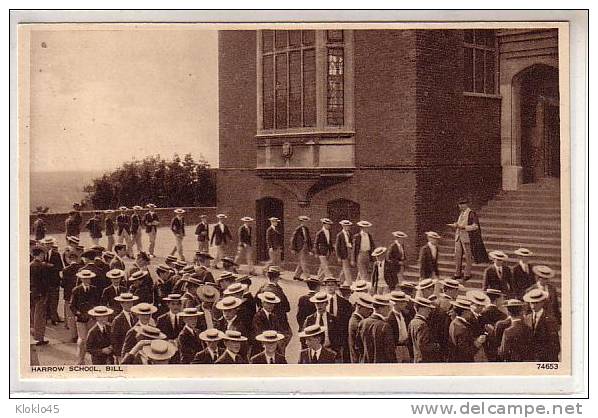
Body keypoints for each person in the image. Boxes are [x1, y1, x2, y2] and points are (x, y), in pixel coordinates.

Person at [448, 197, 489, 281]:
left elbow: (475, 226)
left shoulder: (471, 213)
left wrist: (463, 227)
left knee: (468, 256)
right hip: (458, 237)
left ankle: (467, 274)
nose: (461, 206)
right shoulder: (461, 214)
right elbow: (460, 224)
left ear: (466, 204)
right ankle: (457, 273)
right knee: (457, 256)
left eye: (462, 204)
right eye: (460, 205)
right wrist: (456, 225)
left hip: (466, 237)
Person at [70, 269, 100, 364]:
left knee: (92, 339)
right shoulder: (76, 290)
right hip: (81, 319)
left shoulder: (95, 289)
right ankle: (80, 360)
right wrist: (78, 314)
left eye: (88, 278)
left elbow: (97, 303)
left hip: (91, 318)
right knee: (82, 340)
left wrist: (93, 314)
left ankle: (94, 361)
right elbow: (72, 305)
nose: (86, 280)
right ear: (81, 279)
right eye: (84, 279)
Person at [356, 294, 396, 363]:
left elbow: (358, 346)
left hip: (365, 364)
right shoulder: (385, 326)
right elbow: (389, 352)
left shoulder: (362, 323)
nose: (389, 310)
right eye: (388, 307)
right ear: (381, 308)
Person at [523, 288, 560, 362]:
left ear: (542, 303)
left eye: (536, 303)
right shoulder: (527, 318)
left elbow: (555, 345)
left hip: (545, 359)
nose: (533, 305)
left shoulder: (550, 320)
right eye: (531, 303)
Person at [448, 297, 486, 363]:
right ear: (464, 312)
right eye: (469, 310)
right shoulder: (462, 328)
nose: (470, 312)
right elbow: (466, 351)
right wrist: (478, 342)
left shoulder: (454, 322)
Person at [323, 276, 352, 362]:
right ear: (325, 287)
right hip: (326, 332)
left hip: (339, 334)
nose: (330, 287)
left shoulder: (344, 303)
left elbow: (346, 320)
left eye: (332, 285)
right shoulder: (321, 301)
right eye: (328, 285)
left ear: (336, 286)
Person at [303, 291, 340, 356]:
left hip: (330, 351)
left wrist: (335, 351)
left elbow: (338, 337)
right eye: (317, 303)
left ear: (326, 303)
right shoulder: (309, 319)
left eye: (322, 303)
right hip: (314, 352)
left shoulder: (333, 319)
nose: (319, 306)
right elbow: (304, 338)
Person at [30, 246, 52, 345]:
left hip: (33, 293)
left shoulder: (30, 265)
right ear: (40, 254)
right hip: (41, 294)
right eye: (43, 254)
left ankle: (34, 334)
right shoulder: (41, 266)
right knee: (40, 316)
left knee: (33, 314)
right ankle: (39, 338)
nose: (44, 256)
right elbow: (45, 282)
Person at [409, 296, 441, 363]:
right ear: (421, 309)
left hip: (417, 358)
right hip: (424, 360)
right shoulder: (422, 324)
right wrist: (436, 346)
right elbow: (423, 346)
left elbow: (410, 343)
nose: (429, 311)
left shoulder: (412, 322)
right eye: (428, 309)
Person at [110, 293, 139, 364]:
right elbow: (114, 339)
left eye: (131, 302)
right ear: (122, 304)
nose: (130, 305)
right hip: (123, 352)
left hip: (136, 351)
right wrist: (118, 355)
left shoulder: (136, 316)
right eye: (127, 303)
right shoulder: (117, 320)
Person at [41, 237, 64, 325]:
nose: (48, 246)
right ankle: (46, 318)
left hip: (54, 281)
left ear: (51, 245)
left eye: (49, 244)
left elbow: (60, 267)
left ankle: (54, 318)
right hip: (44, 283)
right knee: (45, 301)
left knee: (54, 301)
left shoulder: (56, 254)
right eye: (46, 244)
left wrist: (50, 266)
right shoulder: (41, 255)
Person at [61, 252, 82, 342]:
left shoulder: (65, 270)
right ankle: (80, 333)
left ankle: (74, 335)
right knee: (79, 314)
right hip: (79, 295)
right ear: (77, 259)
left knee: (70, 316)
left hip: (68, 295)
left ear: (69, 259)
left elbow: (63, 284)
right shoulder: (81, 269)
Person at [348, 293, 374, 363]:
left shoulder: (357, 320)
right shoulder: (358, 323)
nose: (370, 311)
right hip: (359, 359)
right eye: (367, 308)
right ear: (359, 307)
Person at [388, 291, 412, 363]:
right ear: (395, 303)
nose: (405, 304)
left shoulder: (405, 315)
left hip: (405, 347)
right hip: (396, 348)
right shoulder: (389, 318)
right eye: (402, 302)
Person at [291, 215, 313, 281]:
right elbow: (293, 239)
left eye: (306, 221)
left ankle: (296, 276)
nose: (305, 223)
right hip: (300, 247)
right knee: (304, 262)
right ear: (301, 222)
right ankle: (307, 277)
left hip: (306, 247)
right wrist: (293, 248)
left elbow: (309, 239)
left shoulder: (306, 229)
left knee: (301, 262)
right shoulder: (298, 229)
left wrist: (310, 249)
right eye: (304, 221)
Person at [334, 220, 354, 285]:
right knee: (346, 269)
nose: (347, 227)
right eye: (346, 226)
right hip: (343, 253)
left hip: (350, 251)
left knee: (345, 268)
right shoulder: (339, 235)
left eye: (348, 226)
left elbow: (352, 242)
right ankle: (349, 283)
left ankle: (340, 281)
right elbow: (337, 247)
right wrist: (338, 257)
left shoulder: (350, 234)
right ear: (343, 226)